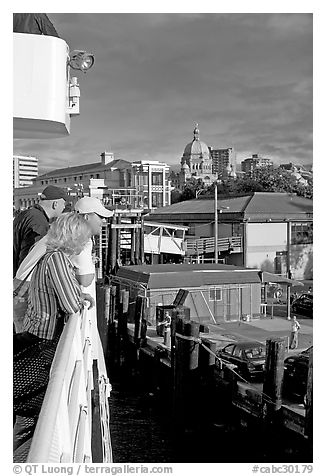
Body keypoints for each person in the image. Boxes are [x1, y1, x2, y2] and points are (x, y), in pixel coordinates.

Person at [13, 213, 94, 453]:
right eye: (85, 238)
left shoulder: (50, 257)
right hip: (41, 340)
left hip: (35, 335)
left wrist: (81, 296)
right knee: (32, 404)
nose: (86, 243)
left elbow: (64, 294)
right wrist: (79, 298)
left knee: (29, 412)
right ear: (76, 238)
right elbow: (69, 304)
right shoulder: (58, 260)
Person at [13, 185, 67, 275]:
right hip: (21, 279)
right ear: (55, 204)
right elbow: (31, 258)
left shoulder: (27, 214)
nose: (64, 207)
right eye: (63, 204)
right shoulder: (38, 222)